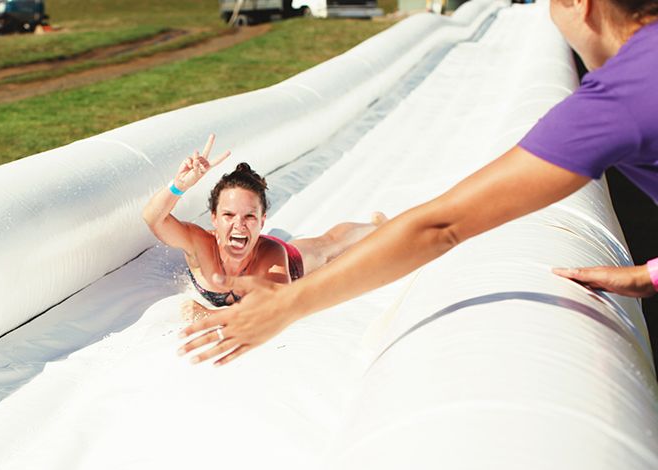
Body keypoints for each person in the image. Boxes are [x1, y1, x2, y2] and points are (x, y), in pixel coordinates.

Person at [180, 0, 658, 365]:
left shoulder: (619, 100)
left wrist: (287, 305)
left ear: (581, 3)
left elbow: (441, 225)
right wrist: (649, 274)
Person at [142, 134, 384, 313]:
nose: (239, 225)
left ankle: (376, 226)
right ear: (213, 218)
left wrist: (208, 314)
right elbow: (153, 218)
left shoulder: (273, 254)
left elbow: (278, 305)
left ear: (262, 220)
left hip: (290, 265)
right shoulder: (199, 244)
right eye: (228, 215)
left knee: (330, 245)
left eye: (249, 216)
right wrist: (180, 185)